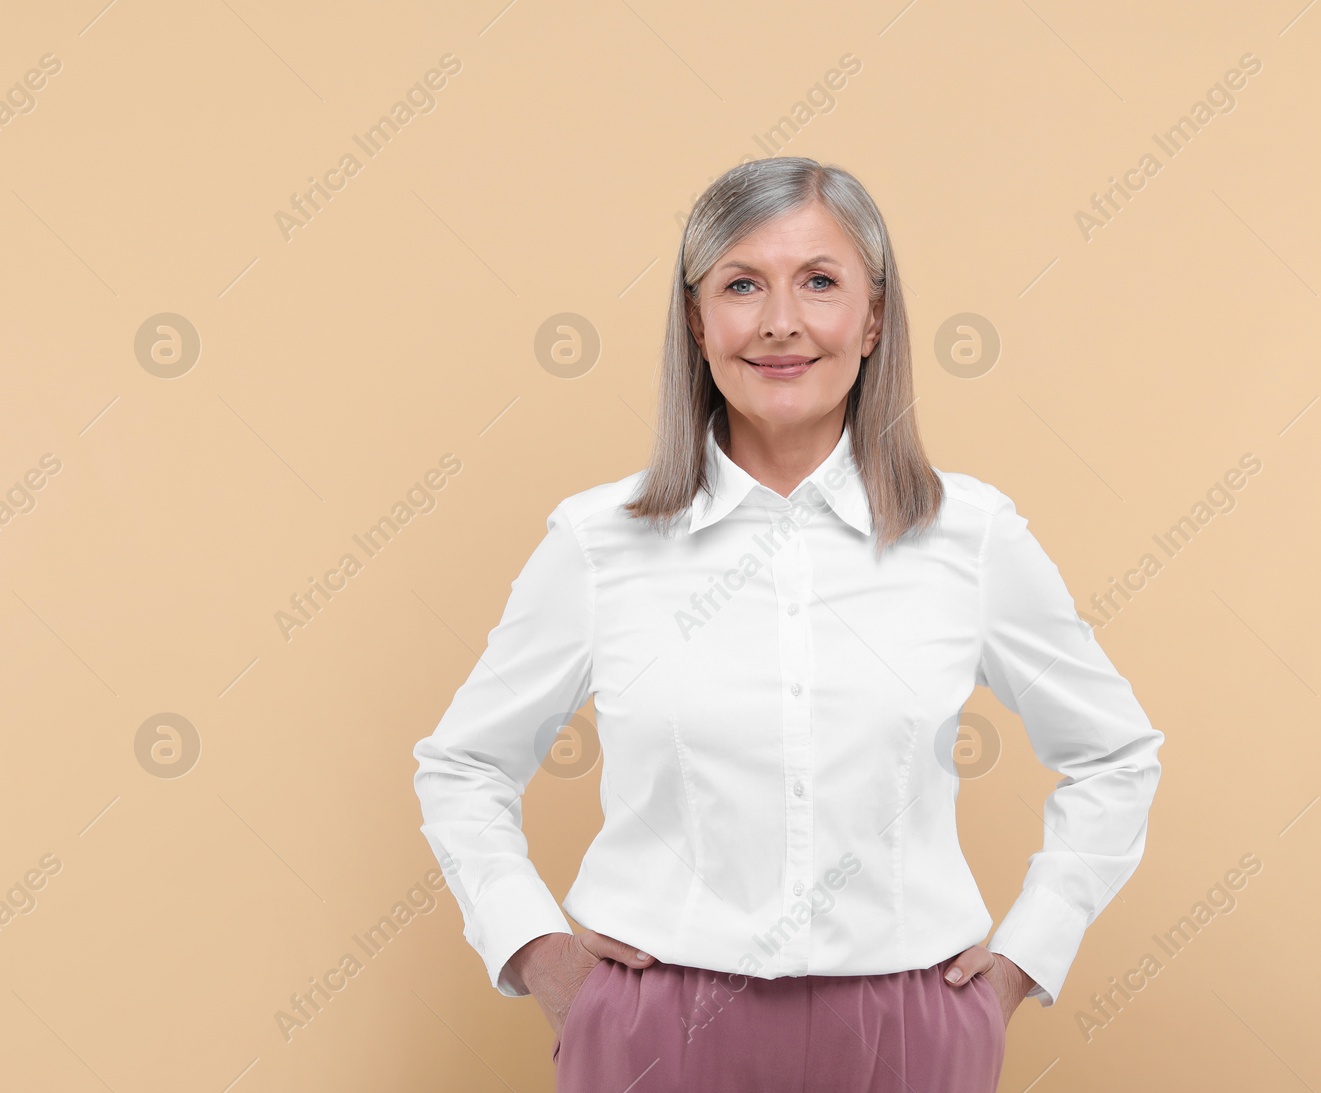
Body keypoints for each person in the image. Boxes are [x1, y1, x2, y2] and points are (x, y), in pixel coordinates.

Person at [411, 156, 1165, 1091]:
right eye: (741, 284)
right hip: (656, 1038)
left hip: (908, 1033)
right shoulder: (598, 542)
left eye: (819, 281)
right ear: (696, 320)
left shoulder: (971, 537)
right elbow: (463, 766)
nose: (780, 321)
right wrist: (535, 948)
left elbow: (1115, 755)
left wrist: (1024, 959)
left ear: (875, 315)